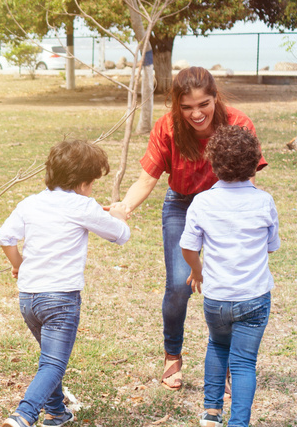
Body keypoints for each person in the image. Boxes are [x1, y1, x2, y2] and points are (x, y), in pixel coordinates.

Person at [111, 67, 266, 391]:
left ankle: (226, 365)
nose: (196, 113)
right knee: (180, 285)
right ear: (176, 105)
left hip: (226, 205)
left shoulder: (238, 123)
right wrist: (124, 209)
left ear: (215, 98)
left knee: (231, 288)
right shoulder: (167, 128)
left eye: (204, 104)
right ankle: (173, 355)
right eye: (187, 107)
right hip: (182, 205)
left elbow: (248, 179)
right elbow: (147, 179)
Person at [0, 139, 130, 427]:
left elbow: (5, 237)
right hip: (61, 299)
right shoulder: (83, 207)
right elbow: (120, 235)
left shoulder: (30, 203)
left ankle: (56, 412)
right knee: (54, 363)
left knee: (48, 357)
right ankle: (24, 417)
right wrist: (120, 213)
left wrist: (18, 263)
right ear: (85, 182)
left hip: (29, 298)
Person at [180, 125, 279, 427]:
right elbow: (271, 247)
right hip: (253, 296)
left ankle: (210, 412)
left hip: (217, 297)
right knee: (244, 362)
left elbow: (188, 247)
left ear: (213, 163)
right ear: (254, 164)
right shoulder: (264, 201)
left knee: (217, 346)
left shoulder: (202, 202)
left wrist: (198, 271)